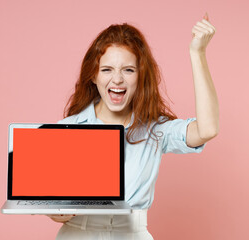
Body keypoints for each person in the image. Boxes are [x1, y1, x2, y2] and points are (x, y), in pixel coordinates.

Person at [47, 12, 218, 239]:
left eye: (128, 70)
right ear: (94, 76)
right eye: (107, 69)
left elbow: (207, 129)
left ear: (140, 76)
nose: (117, 79)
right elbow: (55, 208)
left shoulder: (155, 129)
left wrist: (197, 53)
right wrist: (58, 211)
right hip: (78, 234)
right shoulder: (66, 129)